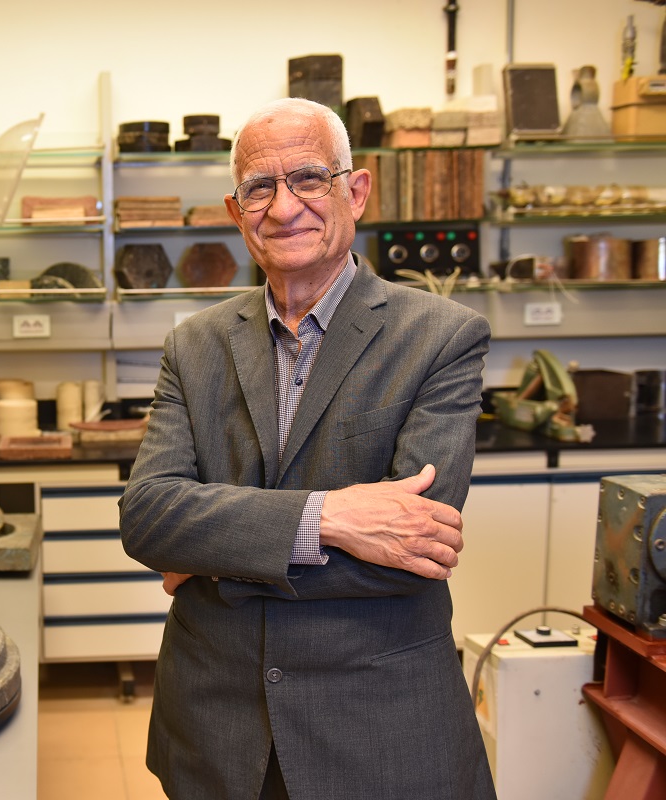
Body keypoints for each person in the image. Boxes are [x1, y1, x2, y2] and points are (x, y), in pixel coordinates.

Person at [118, 97, 496, 800]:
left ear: (355, 190)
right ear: (236, 213)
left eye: (309, 179)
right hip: (216, 728)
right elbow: (146, 519)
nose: (284, 207)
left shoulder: (440, 338)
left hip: (376, 727)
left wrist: (205, 561)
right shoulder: (192, 346)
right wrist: (330, 519)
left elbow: (415, 554)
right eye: (260, 187)